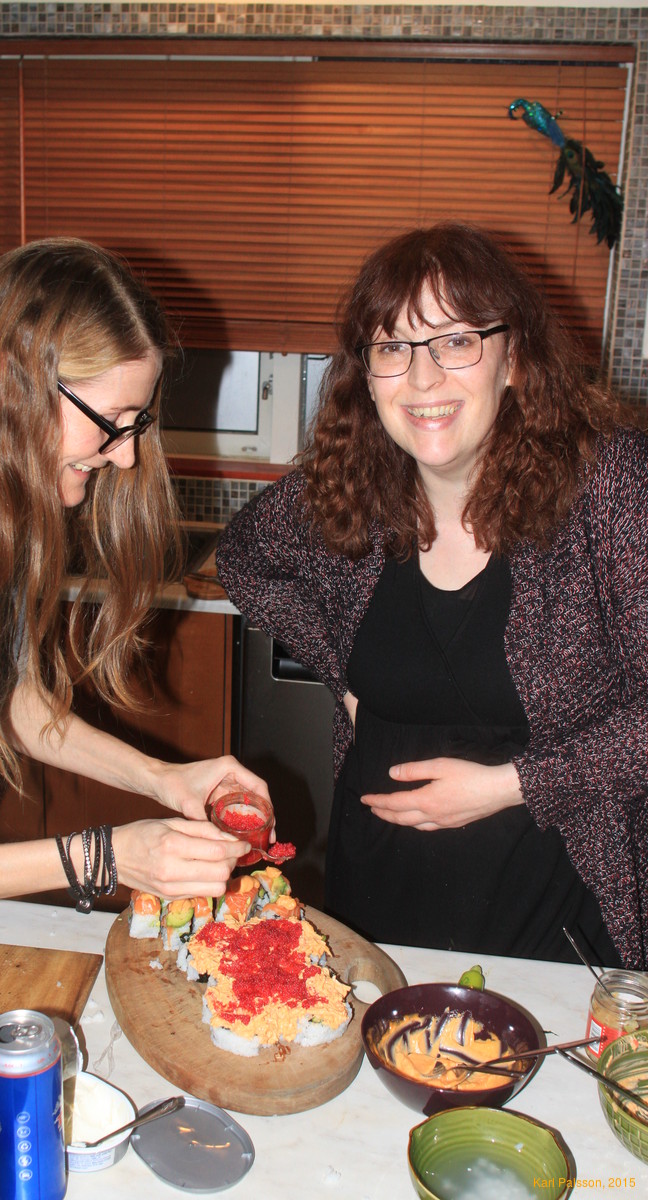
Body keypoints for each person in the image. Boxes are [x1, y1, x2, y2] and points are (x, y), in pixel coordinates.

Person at [216, 221, 648, 969]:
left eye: (455, 342)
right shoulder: (353, 483)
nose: (422, 380)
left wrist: (514, 784)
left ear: (512, 358)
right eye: (392, 348)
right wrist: (344, 678)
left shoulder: (606, 485)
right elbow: (243, 560)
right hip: (377, 891)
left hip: (555, 909)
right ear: (367, 373)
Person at [0, 237, 264, 988]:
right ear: (17, 386)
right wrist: (107, 856)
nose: (127, 456)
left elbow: (9, 700)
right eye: (114, 419)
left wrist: (163, 779)